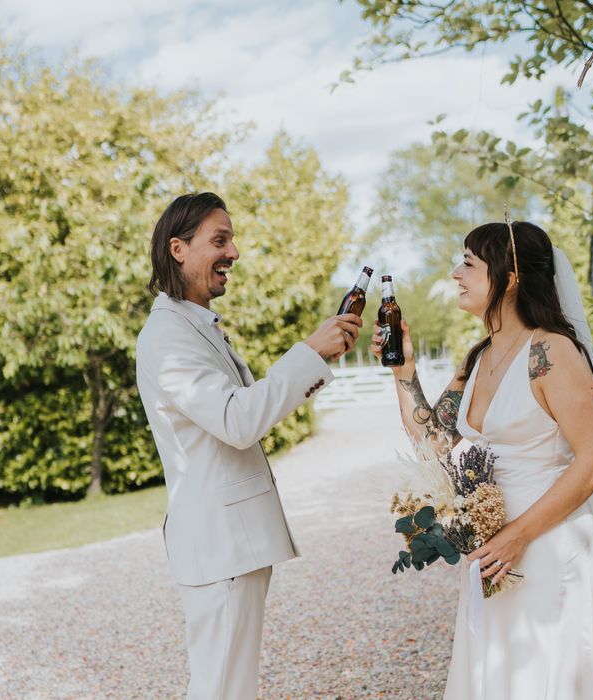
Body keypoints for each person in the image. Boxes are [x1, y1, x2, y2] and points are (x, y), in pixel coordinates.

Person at [371, 219, 593, 699]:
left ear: (512, 274)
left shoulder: (550, 351)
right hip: (494, 550)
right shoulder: (477, 358)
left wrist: (516, 535)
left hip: (546, 542)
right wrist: (405, 372)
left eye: (468, 262)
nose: (456, 273)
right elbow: (434, 440)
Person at [135, 192, 361, 699]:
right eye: (220, 240)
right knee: (221, 688)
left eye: (231, 239)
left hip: (229, 546)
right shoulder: (168, 336)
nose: (233, 252)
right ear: (178, 248)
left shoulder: (194, 325)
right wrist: (309, 351)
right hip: (219, 546)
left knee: (230, 685)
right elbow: (238, 420)